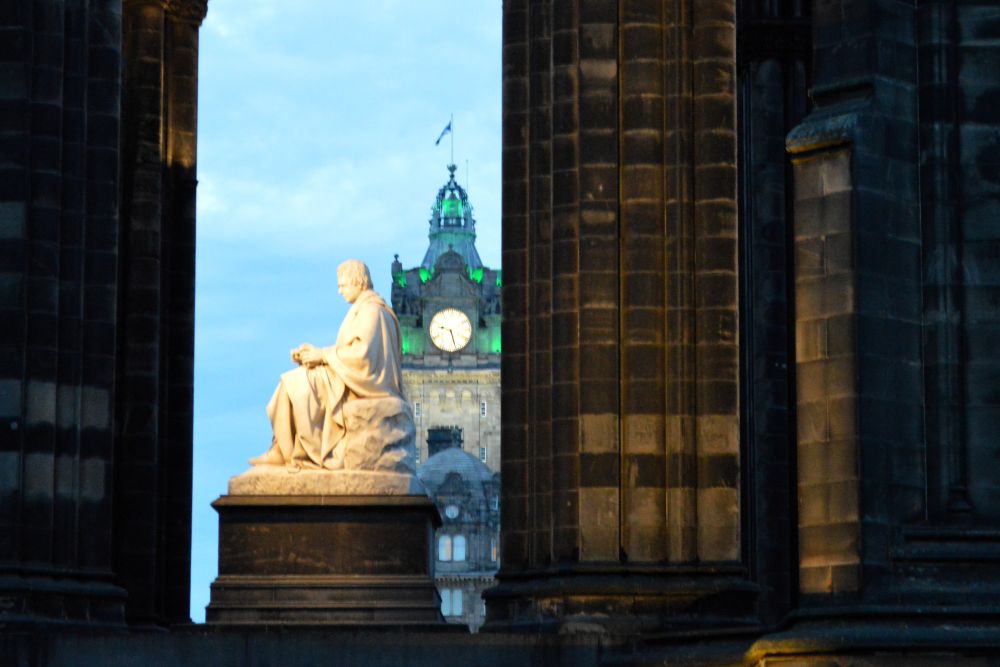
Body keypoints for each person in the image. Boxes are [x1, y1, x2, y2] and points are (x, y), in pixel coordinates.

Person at [250, 259, 405, 470]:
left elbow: (363, 356)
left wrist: (321, 355)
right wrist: (313, 355)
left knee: (293, 383)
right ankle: (283, 448)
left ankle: (291, 451)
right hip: (351, 376)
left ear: (357, 282)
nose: (340, 291)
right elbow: (352, 352)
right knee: (294, 382)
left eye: (343, 285)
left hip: (365, 383)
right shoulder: (364, 309)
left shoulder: (372, 311)